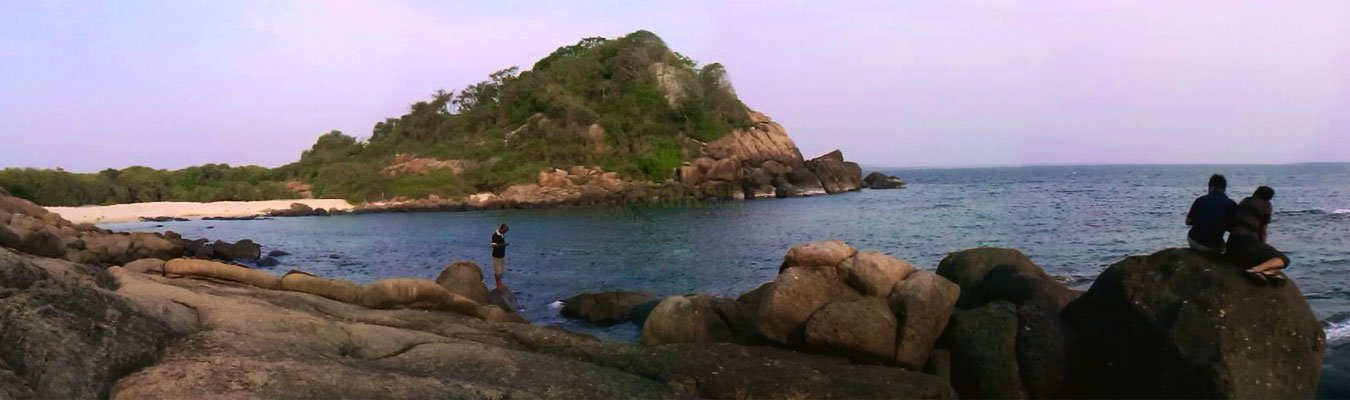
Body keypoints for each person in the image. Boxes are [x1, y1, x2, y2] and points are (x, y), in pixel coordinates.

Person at [1226, 186, 1289, 284]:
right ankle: (1256, 270)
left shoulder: (1245, 200)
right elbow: (1263, 231)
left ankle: (1267, 272)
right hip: (1247, 243)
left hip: (1231, 245)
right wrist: (1262, 245)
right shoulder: (1266, 204)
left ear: (1256, 192)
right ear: (1269, 197)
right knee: (1284, 260)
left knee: (1270, 265)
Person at [1185, 174, 1237, 253]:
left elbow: (1187, 222)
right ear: (1224, 188)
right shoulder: (1231, 204)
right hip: (1212, 246)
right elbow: (1232, 228)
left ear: (1211, 186)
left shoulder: (1200, 200)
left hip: (1193, 241)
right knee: (1223, 248)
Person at [489, 224, 509, 289]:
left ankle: (500, 283)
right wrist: (503, 244)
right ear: (501, 229)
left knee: (501, 271)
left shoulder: (502, 235)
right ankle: (498, 284)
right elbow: (493, 246)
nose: (505, 232)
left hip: (502, 255)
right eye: (505, 231)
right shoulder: (495, 235)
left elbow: (500, 244)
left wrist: (503, 245)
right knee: (497, 271)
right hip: (496, 256)